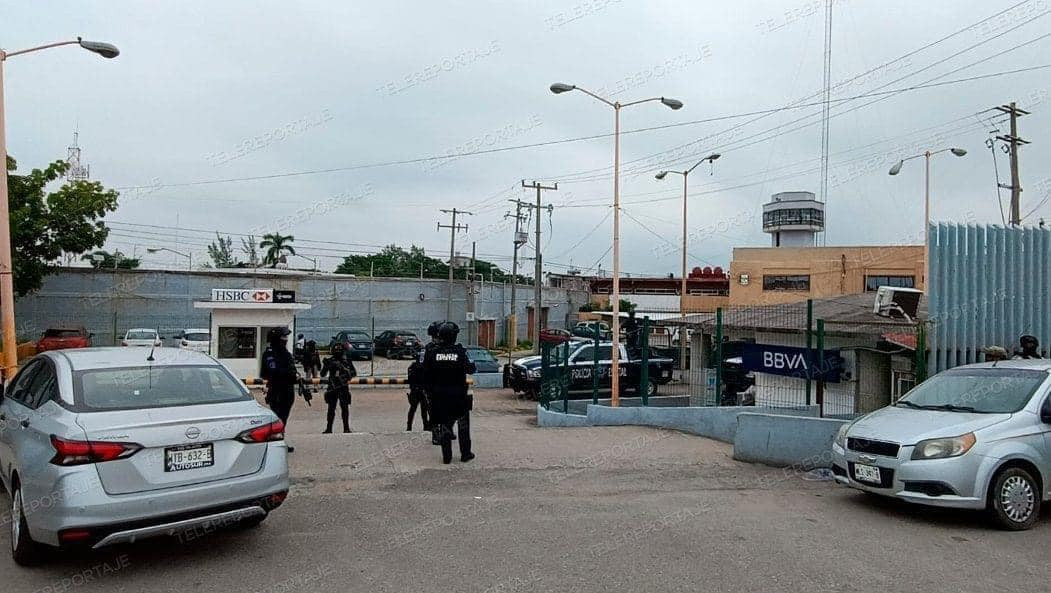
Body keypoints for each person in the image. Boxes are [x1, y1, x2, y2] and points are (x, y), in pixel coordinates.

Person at [422, 321, 476, 464]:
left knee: (445, 425)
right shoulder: (460, 352)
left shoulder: (433, 352)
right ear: (454, 336)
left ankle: (447, 456)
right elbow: (471, 369)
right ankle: (465, 454)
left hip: (439, 396)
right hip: (459, 396)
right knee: (463, 425)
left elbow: (425, 373)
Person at [261, 327, 298, 452]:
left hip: (284, 390)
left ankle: (279, 441)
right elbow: (272, 372)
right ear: (277, 339)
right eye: (283, 337)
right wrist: (291, 375)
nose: (285, 339)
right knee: (279, 418)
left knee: (282, 418)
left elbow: (265, 373)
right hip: (279, 390)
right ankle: (276, 443)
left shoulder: (282, 353)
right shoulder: (275, 354)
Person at [321, 342, 357, 433]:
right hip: (332, 387)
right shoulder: (330, 360)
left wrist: (344, 372)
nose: (337, 351)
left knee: (344, 408)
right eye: (336, 350)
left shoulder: (346, 361)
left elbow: (353, 373)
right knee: (331, 408)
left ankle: (346, 428)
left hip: (343, 386)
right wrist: (326, 365)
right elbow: (322, 374)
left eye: (339, 350)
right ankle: (329, 428)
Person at [406, 358, 431, 431]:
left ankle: (409, 427)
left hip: (415, 390)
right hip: (423, 391)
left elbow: (410, 378)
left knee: (412, 409)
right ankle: (425, 426)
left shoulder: (413, 366)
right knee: (424, 410)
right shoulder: (426, 366)